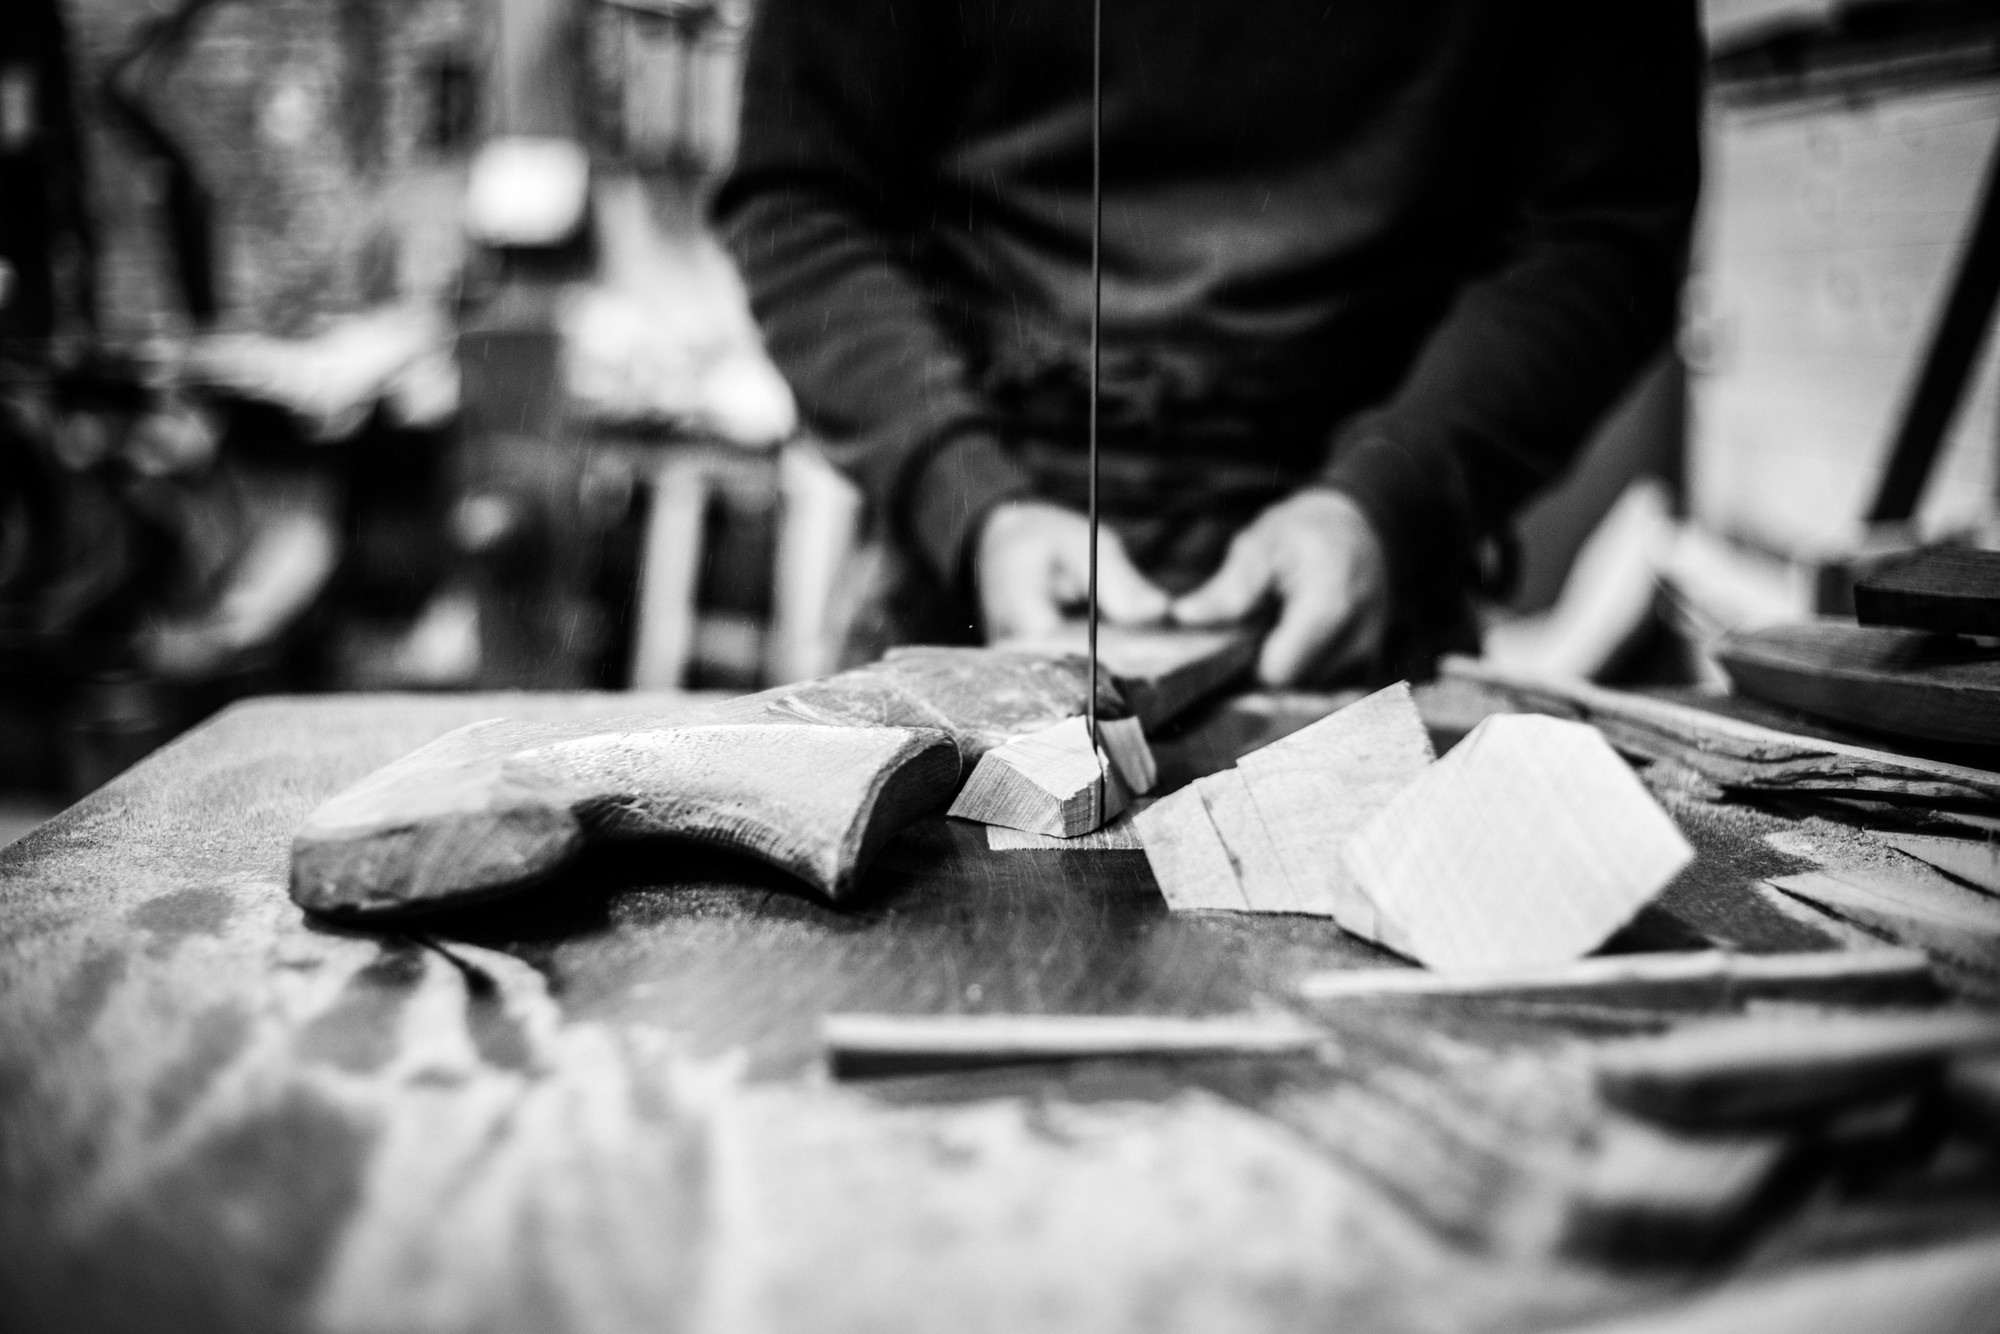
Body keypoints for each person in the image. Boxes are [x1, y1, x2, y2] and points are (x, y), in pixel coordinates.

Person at [713, 0, 1700, 686]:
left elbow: (1605, 228)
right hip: (961, 589)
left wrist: (1390, 494)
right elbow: (801, 198)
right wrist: (966, 494)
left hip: (1372, 583)